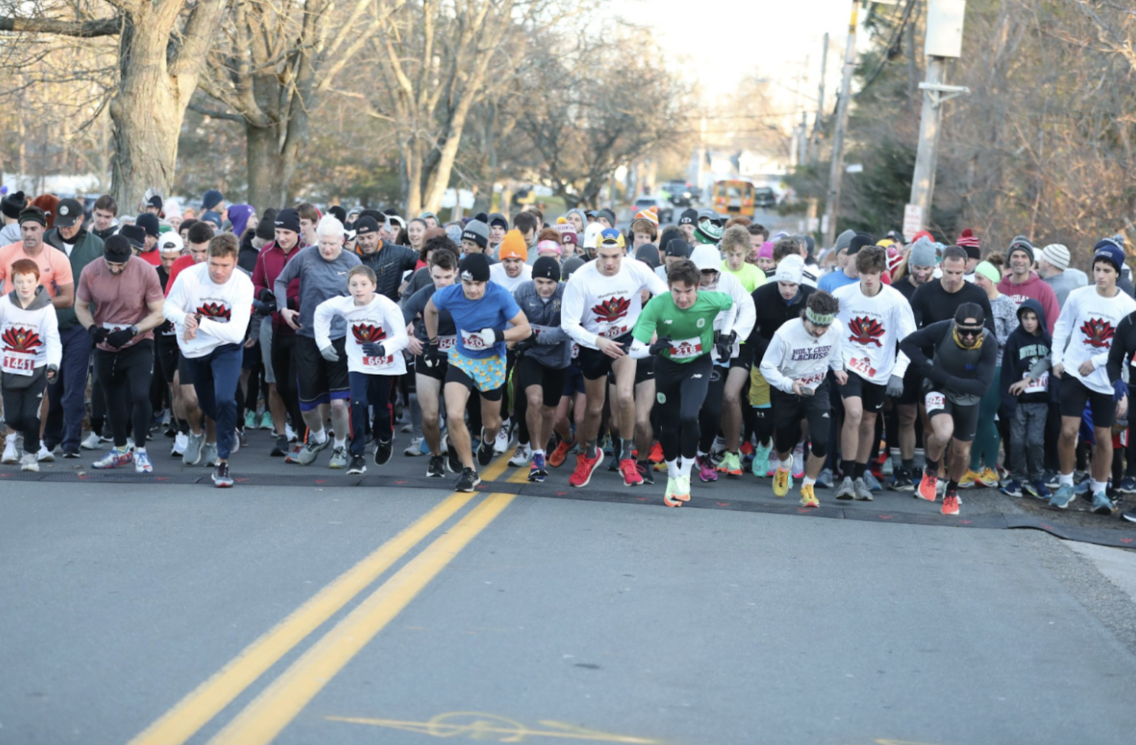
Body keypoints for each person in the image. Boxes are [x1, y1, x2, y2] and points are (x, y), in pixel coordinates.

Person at [561, 228, 668, 487]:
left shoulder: (636, 269)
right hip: (593, 342)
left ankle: (625, 456)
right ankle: (589, 454)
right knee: (595, 408)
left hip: (626, 338)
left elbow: (664, 295)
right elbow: (568, 324)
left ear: (624, 252)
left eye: (615, 256)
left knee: (624, 396)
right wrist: (598, 341)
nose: (609, 263)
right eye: (604, 256)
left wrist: (651, 322)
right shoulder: (581, 278)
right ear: (595, 252)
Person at [629, 259, 738, 506]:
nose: (683, 298)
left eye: (688, 291)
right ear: (669, 288)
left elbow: (732, 306)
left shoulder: (711, 300)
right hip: (666, 367)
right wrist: (653, 348)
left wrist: (725, 334)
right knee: (668, 426)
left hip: (698, 364)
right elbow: (634, 350)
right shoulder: (657, 306)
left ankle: (686, 474)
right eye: (677, 291)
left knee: (689, 416)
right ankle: (673, 475)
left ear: (698, 287)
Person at [423, 253, 532, 492]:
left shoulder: (500, 295)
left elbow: (525, 329)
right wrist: (432, 343)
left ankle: (489, 441)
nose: (472, 290)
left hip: (491, 362)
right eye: (467, 283)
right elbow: (429, 310)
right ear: (460, 279)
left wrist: (498, 335)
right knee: (453, 414)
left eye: (478, 284)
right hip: (462, 359)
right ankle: (469, 471)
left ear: (487, 282)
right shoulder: (449, 294)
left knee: (492, 423)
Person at [1049, 241, 1136, 513]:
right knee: (1068, 431)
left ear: (1117, 274)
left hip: (1106, 379)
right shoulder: (1078, 296)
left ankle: (1099, 490)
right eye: (1097, 269)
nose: (1100, 275)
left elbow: (1126, 348)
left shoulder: (1127, 305)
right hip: (1074, 373)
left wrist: (1097, 361)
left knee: (1102, 437)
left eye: (1106, 270)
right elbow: (1062, 327)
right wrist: (1057, 360)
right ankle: (1065, 484)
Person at [164, 233, 255, 487]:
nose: (218, 271)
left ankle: (222, 464)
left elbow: (236, 333)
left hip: (226, 348)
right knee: (205, 404)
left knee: (225, 399)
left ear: (235, 261)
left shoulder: (242, 284)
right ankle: (223, 429)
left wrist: (201, 321)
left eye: (224, 265)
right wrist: (185, 319)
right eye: (213, 263)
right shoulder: (190, 276)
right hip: (195, 351)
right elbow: (168, 308)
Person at [273, 215, 361, 468]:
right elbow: (280, 281)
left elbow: (367, 295)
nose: (327, 248)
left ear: (342, 241)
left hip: (340, 338)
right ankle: (319, 438)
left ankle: (340, 447)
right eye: (323, 243)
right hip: (307, 336)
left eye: (332, 243)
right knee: (309, 406)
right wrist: (283, 310)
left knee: (337, 403)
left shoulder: (352, 262)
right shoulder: (305, 256)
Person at [75, 234, 166, 472]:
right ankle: (120, 449)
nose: (116, 269)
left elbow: (159, 313)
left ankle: (141, 451)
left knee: (139, 394)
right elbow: (80, 306)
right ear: (104, 256)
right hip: (106, 345)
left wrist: (132, 331)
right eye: (111, 264)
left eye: (121, 265)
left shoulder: (145, 271)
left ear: (130, 256)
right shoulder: (90, 271)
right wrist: (91, 328)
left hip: (138, 342)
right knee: (112, 398)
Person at [831, 246, 916, 500]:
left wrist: (898, 373)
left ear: (882, 272)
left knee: (869, 421)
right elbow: (826, 328)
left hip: (880, 370)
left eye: (874, 272)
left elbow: (910, 340)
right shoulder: (842, 295)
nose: (868, 278)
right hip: (849, 364)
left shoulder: (895, 300)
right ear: (857, 271)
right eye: (864, 272)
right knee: (853, 413)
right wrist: (835, 363)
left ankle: (859, 476)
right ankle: (845, 477)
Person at [900, 303, 998, 516]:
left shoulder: (989, 342)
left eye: (975, 332)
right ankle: (932, 469)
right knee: (943, 433)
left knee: (962, 452)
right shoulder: (942, 329)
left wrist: (942, 376)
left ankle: (951, 491)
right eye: (964, 331)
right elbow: (907, 343)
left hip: (967, 396)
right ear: (955, 324)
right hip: (937, 389)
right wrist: (925, 364)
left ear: (982, 327)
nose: (970, 337)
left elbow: (981, 387)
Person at [313, 265, 410, 475]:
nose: (359, 289)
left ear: (373, 286)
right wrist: (323, 343)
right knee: (358, 402)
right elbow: (321, 311)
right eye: (354, 284)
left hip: (385, 363)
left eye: (364, 284)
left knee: (382, 407)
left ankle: (384, 438)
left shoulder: (387, 306)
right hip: (358, 363)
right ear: (348, 287)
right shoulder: (345, 305)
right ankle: (357, 455)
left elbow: (402, 337)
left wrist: (382, 348)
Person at [759, 291, 846, 508]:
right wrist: (789, 385)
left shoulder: (835, 328)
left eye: (823, 327)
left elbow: (834, 350)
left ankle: (808, 485)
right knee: (783, 441)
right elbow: (766, 366)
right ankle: (784, 466)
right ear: (805, 316)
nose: (819, 331)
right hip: (786, 390)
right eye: (814, 325)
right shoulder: (786, 333)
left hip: (816, 388)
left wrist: (838, 368)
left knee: (821, 439)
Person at [41, 197, 103, 459]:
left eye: (70, 224)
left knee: (75, 386)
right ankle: (50, 438)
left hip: (80, 326)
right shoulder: (46, 240)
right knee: (53, 385)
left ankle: (71, 442)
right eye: (61, 224)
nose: (64, 229)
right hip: (49, 325)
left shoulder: (95, 245)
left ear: (81, 220)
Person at [687, 244, 755, 480]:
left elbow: (747, 307)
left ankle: (703, 452)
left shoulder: (728, 281)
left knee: (714, 410)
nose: (707, 277)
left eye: (711, 272)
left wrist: (732, 335)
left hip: (715, 354)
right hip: (686, 353)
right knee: (682, 410)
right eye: (702, 272)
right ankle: (677, 453)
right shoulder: (683, 284)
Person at [747, 256, 815, 478]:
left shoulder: (812, 297)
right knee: (765, 418)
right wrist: (769, 348)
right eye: (783, 284)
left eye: (792, 285)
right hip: (764, 363)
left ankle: (793, 448)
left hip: (798, 365)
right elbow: (746, 329)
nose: (787, 290)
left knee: (795, 414)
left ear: (800, 283)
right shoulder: (761, 295)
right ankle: (765, 444)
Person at [510, 257, 572, 482]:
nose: (545, 287)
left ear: (559, 281)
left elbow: (566, 329)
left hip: (558, 360)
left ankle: (543, 450)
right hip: (531, 356)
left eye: (550, 282)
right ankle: (535, 454)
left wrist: (533, 337)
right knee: (533, 400)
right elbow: (512, 321)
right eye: (539, 281)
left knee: (548, 411)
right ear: (532, 279)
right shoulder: (523, 291)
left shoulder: (567, 293)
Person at [402, 249, 459, 477]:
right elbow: (400, 318)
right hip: (428, 355)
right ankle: (436, 456)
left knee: (456, 414)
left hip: (458, 359)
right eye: (437, 277)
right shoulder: (424, 294)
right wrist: (408, 339)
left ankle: (455, 449)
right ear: (429, 273)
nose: (443, 282)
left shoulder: (466, 294)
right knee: (430, 415)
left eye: (448, 277)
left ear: (456, 272)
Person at [0, 259, 61, 471]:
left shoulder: (46, 309)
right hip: (9, 370)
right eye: (19, 281)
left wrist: (53, 363)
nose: (24, 286)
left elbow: (53, 338)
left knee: (30, 416)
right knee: (13, 418)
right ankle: (17, 440)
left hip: (36, 368)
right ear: (12, 282)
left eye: (28, 281)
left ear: (37, 282)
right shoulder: (4, 304)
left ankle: (31, 454)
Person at [964, 260, 1020, 488]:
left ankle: (988, 469)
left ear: (993, 280)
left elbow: (1016, 337)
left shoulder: (1006, 303)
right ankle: (973, 468)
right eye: (974, 278)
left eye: (980, 278)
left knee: (985, 417)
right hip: (971, 366)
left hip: (997, 366)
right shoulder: (972, 301)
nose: (975, 282)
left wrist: (993, 341)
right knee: (974, 418)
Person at [1001, 300, 1053, 499]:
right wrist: (1007, 401)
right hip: (1018, 401)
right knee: (1017, 442)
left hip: (1040, 401)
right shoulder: (1015, 339)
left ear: (1040, 318)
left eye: (1033, 318)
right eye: (1025, 318)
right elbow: (1007, 372)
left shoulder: (1047, 339)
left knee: (1035, 442)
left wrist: (1053, 397)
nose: (1029, 322)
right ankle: (1016, 479)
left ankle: (1036, 478)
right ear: (1020, 318)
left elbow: (1053, 364)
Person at [997, 237, 1059, 333]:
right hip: (1004, 346)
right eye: (1015, 256)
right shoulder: (999, 288)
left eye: (1024, 256)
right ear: (1009, 260)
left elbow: (1052, 324)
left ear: (1031, 261)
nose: (1019, 260)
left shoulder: (1044, 289)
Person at [1037, 243, 1088, 308]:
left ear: (1048, 262)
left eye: (1041, 258)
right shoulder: (1047, 284)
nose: (1039, 261)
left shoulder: (1061, 291)